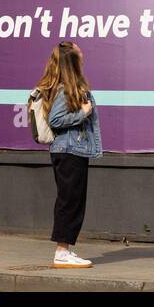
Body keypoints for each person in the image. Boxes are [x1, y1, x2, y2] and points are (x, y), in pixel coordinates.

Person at [34, 41, 102, 269]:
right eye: (79, 51)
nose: (83, 54)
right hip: (69, 151)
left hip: (71, 151)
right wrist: (83, 113)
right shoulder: (65, 89)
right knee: (70, 202)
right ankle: (62, 252)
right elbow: (55, 120)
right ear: (72, 60)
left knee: (71, 201)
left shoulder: (68, 86)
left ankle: (65, 250)